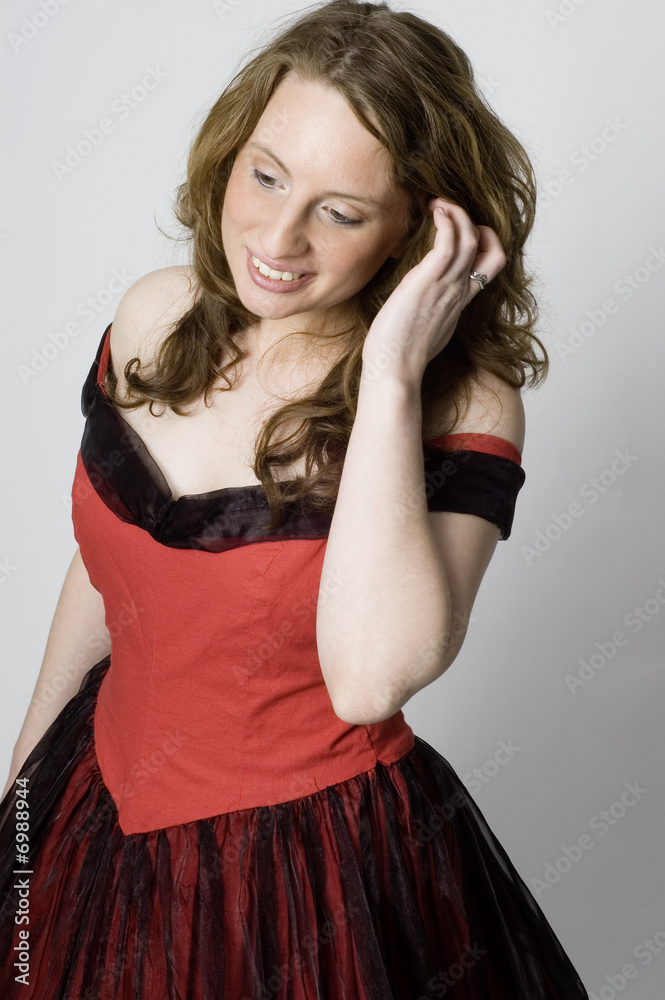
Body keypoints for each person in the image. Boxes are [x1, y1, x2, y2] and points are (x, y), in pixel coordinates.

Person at [0, 0, 590, 996]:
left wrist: (392, 376)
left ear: (417, 231)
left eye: (341, 211)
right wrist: (21, 803)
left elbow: (368, 682)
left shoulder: (460, 405)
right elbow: (109, 580)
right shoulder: (154, 315)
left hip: (309, 876)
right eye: (266, 175)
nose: (277, 235)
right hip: (90, 806)